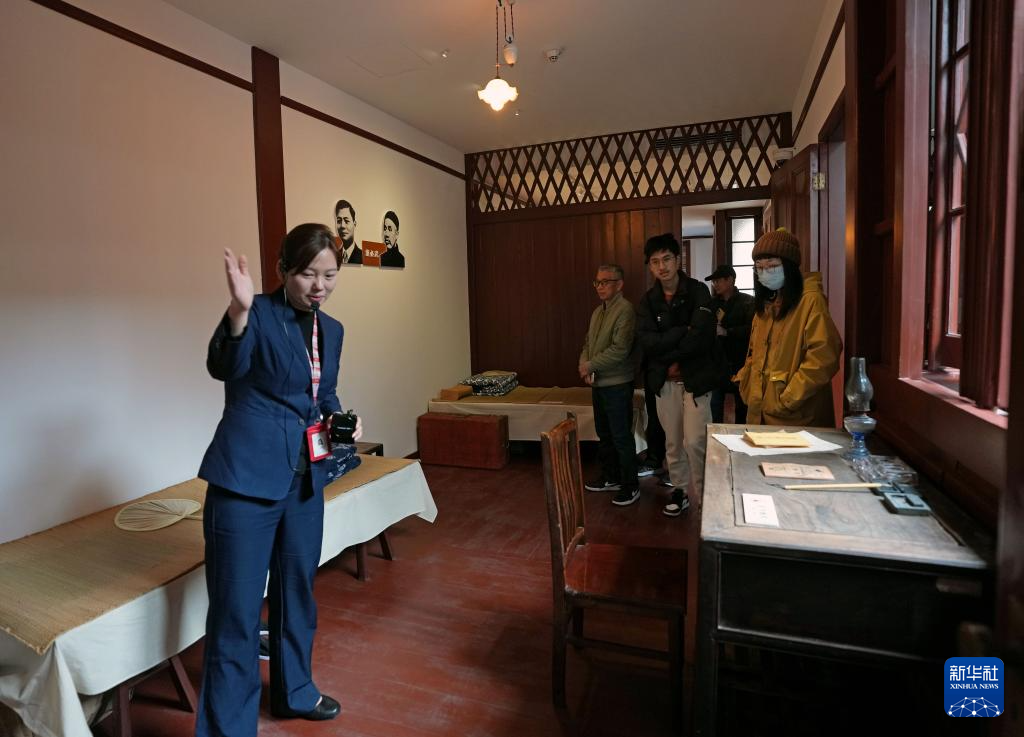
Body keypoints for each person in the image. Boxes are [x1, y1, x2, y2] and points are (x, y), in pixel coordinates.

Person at [196, 223, 362, 736]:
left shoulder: (331, 330)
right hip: (245, 482)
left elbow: (323, 394)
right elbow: (224, 366)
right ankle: (229, 729)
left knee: (297, 593)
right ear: (283, 270)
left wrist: (341, 419)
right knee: (237, 613)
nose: (319, 286)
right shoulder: (258, 315)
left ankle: (295, 692)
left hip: (304, 481)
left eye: (329, 276)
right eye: (308, 274)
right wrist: (238, 310)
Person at [636, 234, 717, 517]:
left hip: (695, 381)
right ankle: (680, 490)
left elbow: (702, 336)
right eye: (655, 261)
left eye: (667, 259)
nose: (662, 266)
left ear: (678, 259)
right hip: (664, 383)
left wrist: (668, 346)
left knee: (695, 441)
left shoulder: (698, 291)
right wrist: (683, 332)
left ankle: (706, 497)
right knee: (672, 442)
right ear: (650, 266)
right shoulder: (648, 301)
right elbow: (648, 342)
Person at [736, 228, 842, 427]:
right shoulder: (766, 305)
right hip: (761, 410)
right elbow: (754, 354)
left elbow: (824, 357)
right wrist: (746, 385)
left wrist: (789, 398)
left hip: (797, 416)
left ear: (789, 266)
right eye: (759, 267)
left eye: (772, 266)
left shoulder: (810, 301)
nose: (765, 273)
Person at [579, 264, 640, 506]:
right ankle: (611, 477)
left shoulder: (626, 310)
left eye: (606, 282)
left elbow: (620, 349)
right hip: (599, 383)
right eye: (597, 282)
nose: (600, 286)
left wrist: (590, 365)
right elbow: (587, 343)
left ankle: (630, 486)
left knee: (621, 436)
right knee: (604, 434)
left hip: (618, 384)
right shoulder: (597, 311)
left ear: (619, 284)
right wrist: (584, 365)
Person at [705, 264, 755, 424]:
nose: (715, 284)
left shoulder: (748, 302)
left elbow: (753, 330)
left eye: (718, 280)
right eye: (713, 282)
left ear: (730, 280)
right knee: (714, 407)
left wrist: (728, 332)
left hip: (741, 363)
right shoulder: (712, 304)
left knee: (743, 408)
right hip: (717, 363)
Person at [334, 199, 361, 265]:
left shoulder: (362, 257)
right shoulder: (333, 256)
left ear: (354, 224)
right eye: (339, 221)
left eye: (346, 221)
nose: (342, 226)